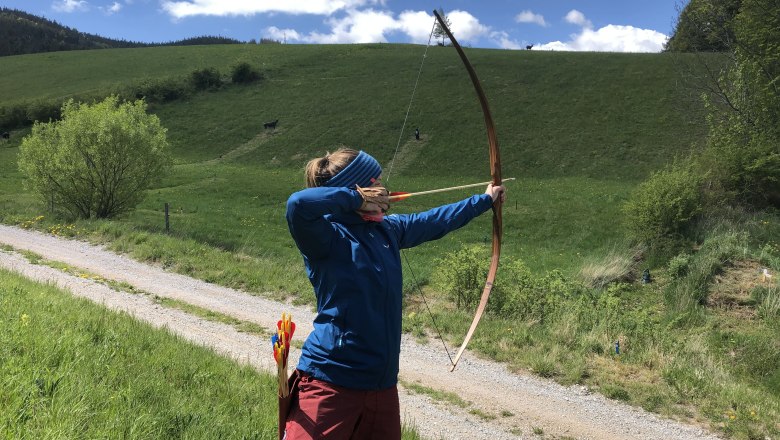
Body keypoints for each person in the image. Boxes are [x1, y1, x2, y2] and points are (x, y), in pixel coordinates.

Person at [284, 148, 505, 439]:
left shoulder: (388, 230)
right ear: (357, 190)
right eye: (375, 184)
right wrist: (356, 198)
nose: (384, 190)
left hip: (381, 386)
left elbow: (435, 220)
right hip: (330, 382)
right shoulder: (326, 238)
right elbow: (298, 204)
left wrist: (484, 200)